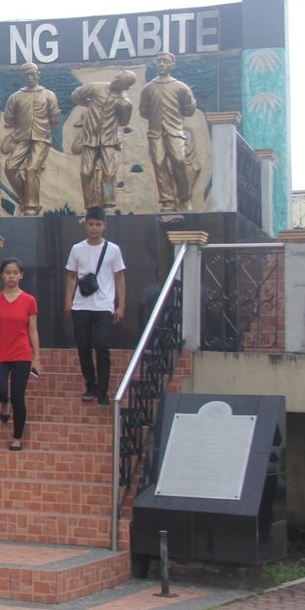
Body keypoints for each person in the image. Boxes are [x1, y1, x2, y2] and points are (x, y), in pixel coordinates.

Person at [64, 206, 126, 406]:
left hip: (104, 306)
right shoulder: (77, 248)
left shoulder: (113, 249)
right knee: (83, 346)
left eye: (98, 224)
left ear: (104, 226)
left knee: (102, 346)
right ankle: (90, 384)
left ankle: (103, 390)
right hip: (81, 305)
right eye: (91, 224)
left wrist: (121, 306)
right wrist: (68, 301)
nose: (94, 228)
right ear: (85, 225)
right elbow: (72, 276)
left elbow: (119, 278)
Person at [0, 257, 41, 452]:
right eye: (8, 272)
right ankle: (4, 402)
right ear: (2, 275)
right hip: (0, 354)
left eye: (15, 272)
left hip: (22, 353)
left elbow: (33, 330)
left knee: (19, 397)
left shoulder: (29, 300)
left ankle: (17, 437)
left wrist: (37, 358)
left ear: (21, 275)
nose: (12, 276)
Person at [139, 52, 198, 211]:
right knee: (159, 164)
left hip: (175, 132)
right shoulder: (149, 88)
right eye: (159, 61)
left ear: (172, 65)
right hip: (155, 132)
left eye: (165, 61)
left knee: (179, 161)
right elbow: (143, 111)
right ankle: (167, 201)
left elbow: (189, 109)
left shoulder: (181, 87)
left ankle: (184, 199)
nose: (161, 64)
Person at [1, 62, 61, 216]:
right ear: (23, 76)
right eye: (27, 74)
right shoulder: (16, 97)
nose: (30, 77)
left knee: (31, 169)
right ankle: (26, 198)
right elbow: (8, 118)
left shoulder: (48, 95)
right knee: (10, 167)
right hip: (22, 138)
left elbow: (54, 117)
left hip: (42, 138)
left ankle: (32, 207)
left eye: (33, 73)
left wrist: (45, 130)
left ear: (38, 74)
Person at [71, 71, 136, 210]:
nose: (116, 80)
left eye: (120, 81)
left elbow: (124, 122)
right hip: (90, 139)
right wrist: (88, 104)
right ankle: (90, 205)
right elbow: (76, 95)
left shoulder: (125, 102)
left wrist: (124, 109)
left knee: (109, 173)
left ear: (126, 87)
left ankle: (109, 204)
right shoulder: (96, 87)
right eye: (117, 77)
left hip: (110, 141)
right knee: (86, 172)